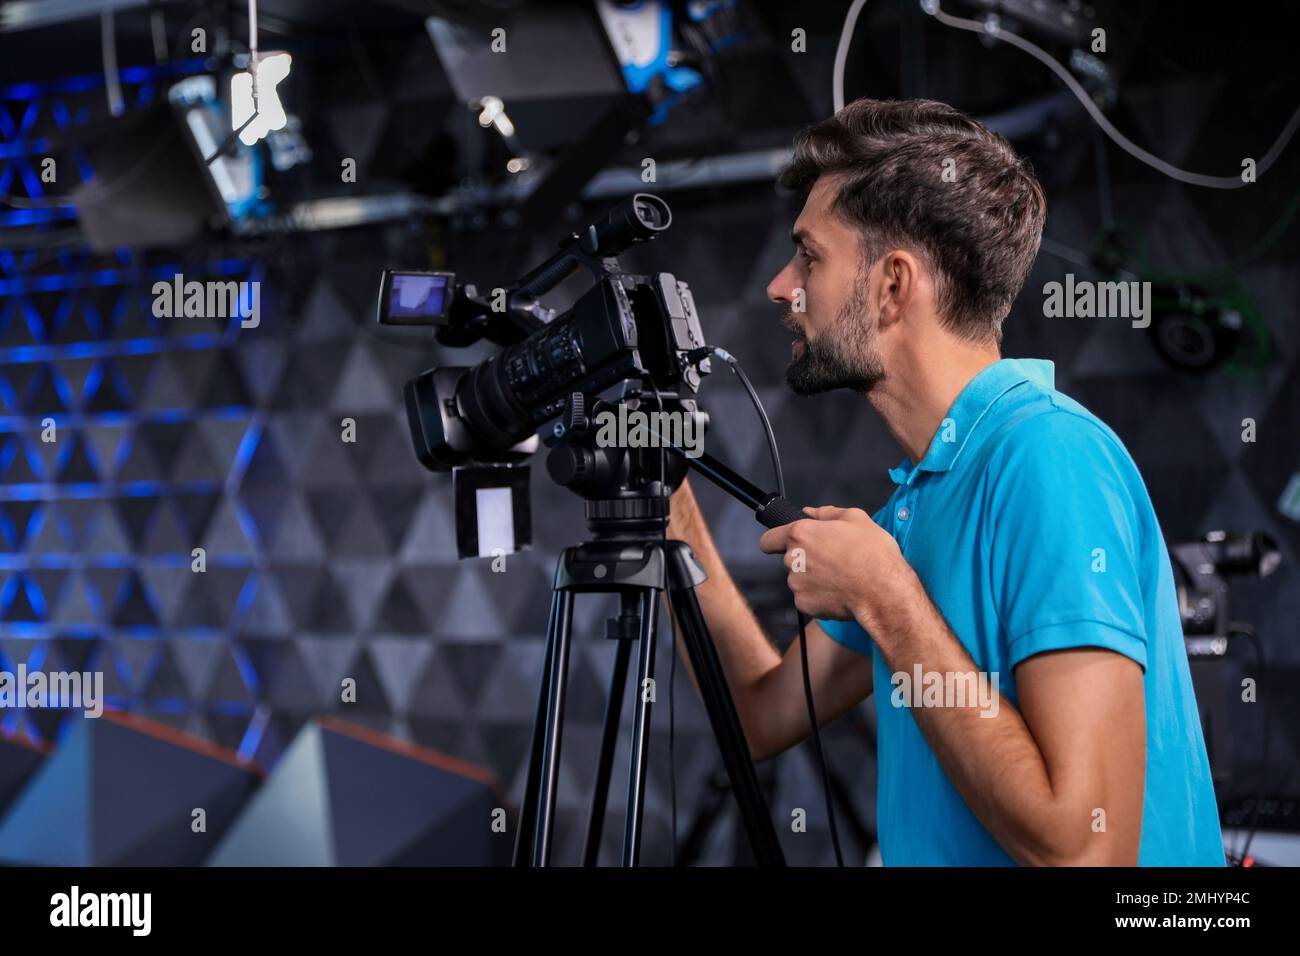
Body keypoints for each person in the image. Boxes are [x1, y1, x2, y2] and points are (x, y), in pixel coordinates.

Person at [665, 97, 1224, 866]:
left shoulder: (1048, 457)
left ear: (893, 285)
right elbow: (757, 715)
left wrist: (884, 598)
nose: (779, 285)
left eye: (809, 257)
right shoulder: (918, 505)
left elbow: (1084, 851)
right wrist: (665, 495)